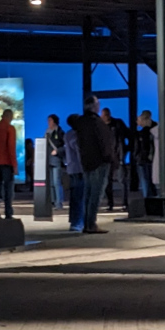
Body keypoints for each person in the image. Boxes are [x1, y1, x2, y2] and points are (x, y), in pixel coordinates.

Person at [70, 96, 116, 233]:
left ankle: (87, 223)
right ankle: (91, 224)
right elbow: (103, 142)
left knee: (88, 193)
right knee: (96, 193)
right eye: (98, 103)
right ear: (94, 106)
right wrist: (110, 158)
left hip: (87, 162)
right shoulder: (96, 122)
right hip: (99, 162)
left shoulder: (81, 123)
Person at [63, 121, 84, 231]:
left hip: (71, 168)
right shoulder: (75, 135)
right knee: (79, 196)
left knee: (74, 196)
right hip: (78, 169)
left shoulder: (67, 134)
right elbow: (78, 151)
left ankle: (74, 221)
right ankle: (77, 222)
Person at [134, 110, 158, 199]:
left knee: (146, 180)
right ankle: (152, 197)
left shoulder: (145, 132)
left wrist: (136, 156)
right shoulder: (155, 129)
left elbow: (141, 146)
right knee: (150, 180)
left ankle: (148, 198)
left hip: (143, 159)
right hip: (148, 158)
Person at [44, 114, 67, 208]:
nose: (48, 122)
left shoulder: (60, 132)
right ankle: (53, 201)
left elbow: (65, 146)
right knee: (50, 183)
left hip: (56, 160)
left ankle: (59, 202)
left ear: (55, 121)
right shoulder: (47, 132)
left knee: (56, 182)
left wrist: (57, 151)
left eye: (50, 120)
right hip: (48, 160)